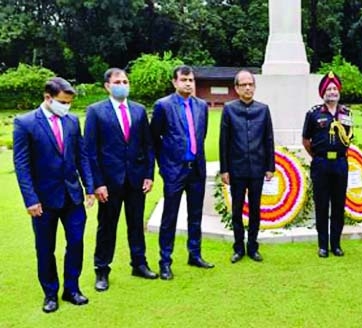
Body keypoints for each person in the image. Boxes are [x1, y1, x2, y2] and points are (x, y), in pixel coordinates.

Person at [13, 77, 95, 313]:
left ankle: (72, 289)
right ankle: (50, 293)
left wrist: (89, 187)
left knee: (77, 242)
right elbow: (22, 165)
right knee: (45, 248)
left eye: (69, 102)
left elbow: (82, 156)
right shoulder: (25, 123)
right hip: (43, 200)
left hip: (73, 197)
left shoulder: (71, 121)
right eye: (62, 101)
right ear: (48, 98)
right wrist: (30, 199)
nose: (66, 106)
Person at [84, 68, 158, 292]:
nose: (122, 85)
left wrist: (148, 174)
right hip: (109, 182)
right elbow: (90, 151)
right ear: (107, 86)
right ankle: (102, 270)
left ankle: (139, 264)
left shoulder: (138, 110)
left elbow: (148, 145)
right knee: (107, 226)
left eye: (125, 81)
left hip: (136, 180)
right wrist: (97, 183)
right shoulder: (95, 111)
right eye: (118, 81)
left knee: (136, 224)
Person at [150, 65, 214, 280]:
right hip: (174, 171)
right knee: (170, 217)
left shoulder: (201, 106)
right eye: (184, 79)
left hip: (196, 169)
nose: (188, 83)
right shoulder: (163, 106)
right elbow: (154, 139)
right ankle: (165, 261)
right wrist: (164, 166)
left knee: (195, 216)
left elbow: (201, 135)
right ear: (175, 82)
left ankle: (194, 254)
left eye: (191, 80)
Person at [219, 69, 275, 264]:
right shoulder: (229, 109)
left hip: (258, 168)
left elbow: (268, 139)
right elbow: (223, 141)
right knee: (236, 210)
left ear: (255, 86)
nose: (248, 88)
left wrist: (270, 167)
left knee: (255, 209)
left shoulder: (263, 109)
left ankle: (253, 246)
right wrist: (224, 169)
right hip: (236, 168)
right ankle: (238, 248)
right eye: (243, 85)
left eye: (250, 84)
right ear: (236, 88)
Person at [302, 72, 353, 258]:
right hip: (321, 163)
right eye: (329, 89)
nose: (332, 92)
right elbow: (306, 140)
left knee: (339, 204)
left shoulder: (346, 113)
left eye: (335, 89)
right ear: (323, 93)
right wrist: (317, 156)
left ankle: (336, 244)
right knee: (322, 204)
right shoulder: (314, 113)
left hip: (340, 162)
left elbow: (348, 138)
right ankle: (323, 245)